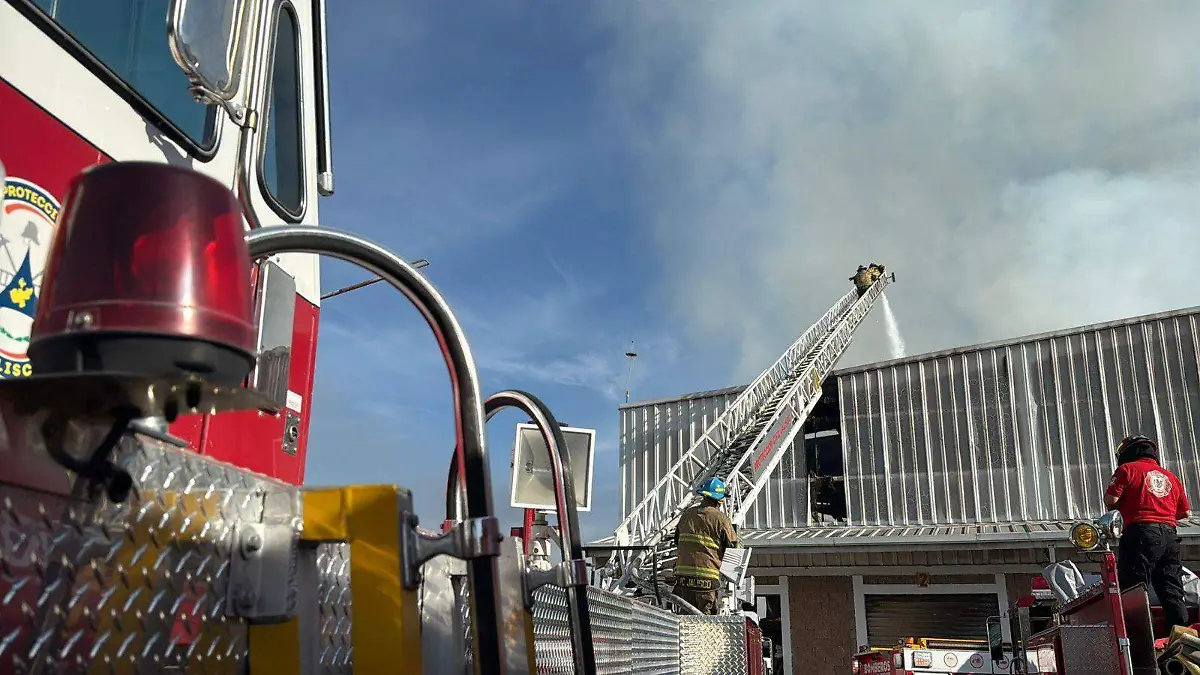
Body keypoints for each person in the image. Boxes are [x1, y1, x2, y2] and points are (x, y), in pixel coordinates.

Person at [1105, 434, 1192, 630]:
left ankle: (1138, 645)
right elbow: (1185, 512)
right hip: (1170, 535)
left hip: (1140, 534)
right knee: (1172, 591)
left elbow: (1111, 500)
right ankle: (1181, 641)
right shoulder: (1170, 476)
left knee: (1134, 590)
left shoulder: (1126, 469)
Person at [672, 477, 738, 615]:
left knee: (684, 621)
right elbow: (733, 550)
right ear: (720, 500)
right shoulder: (721, 519)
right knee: (705, 623)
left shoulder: (687, 515)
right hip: (706, 580)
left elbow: (677, 540)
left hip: (683, 579)